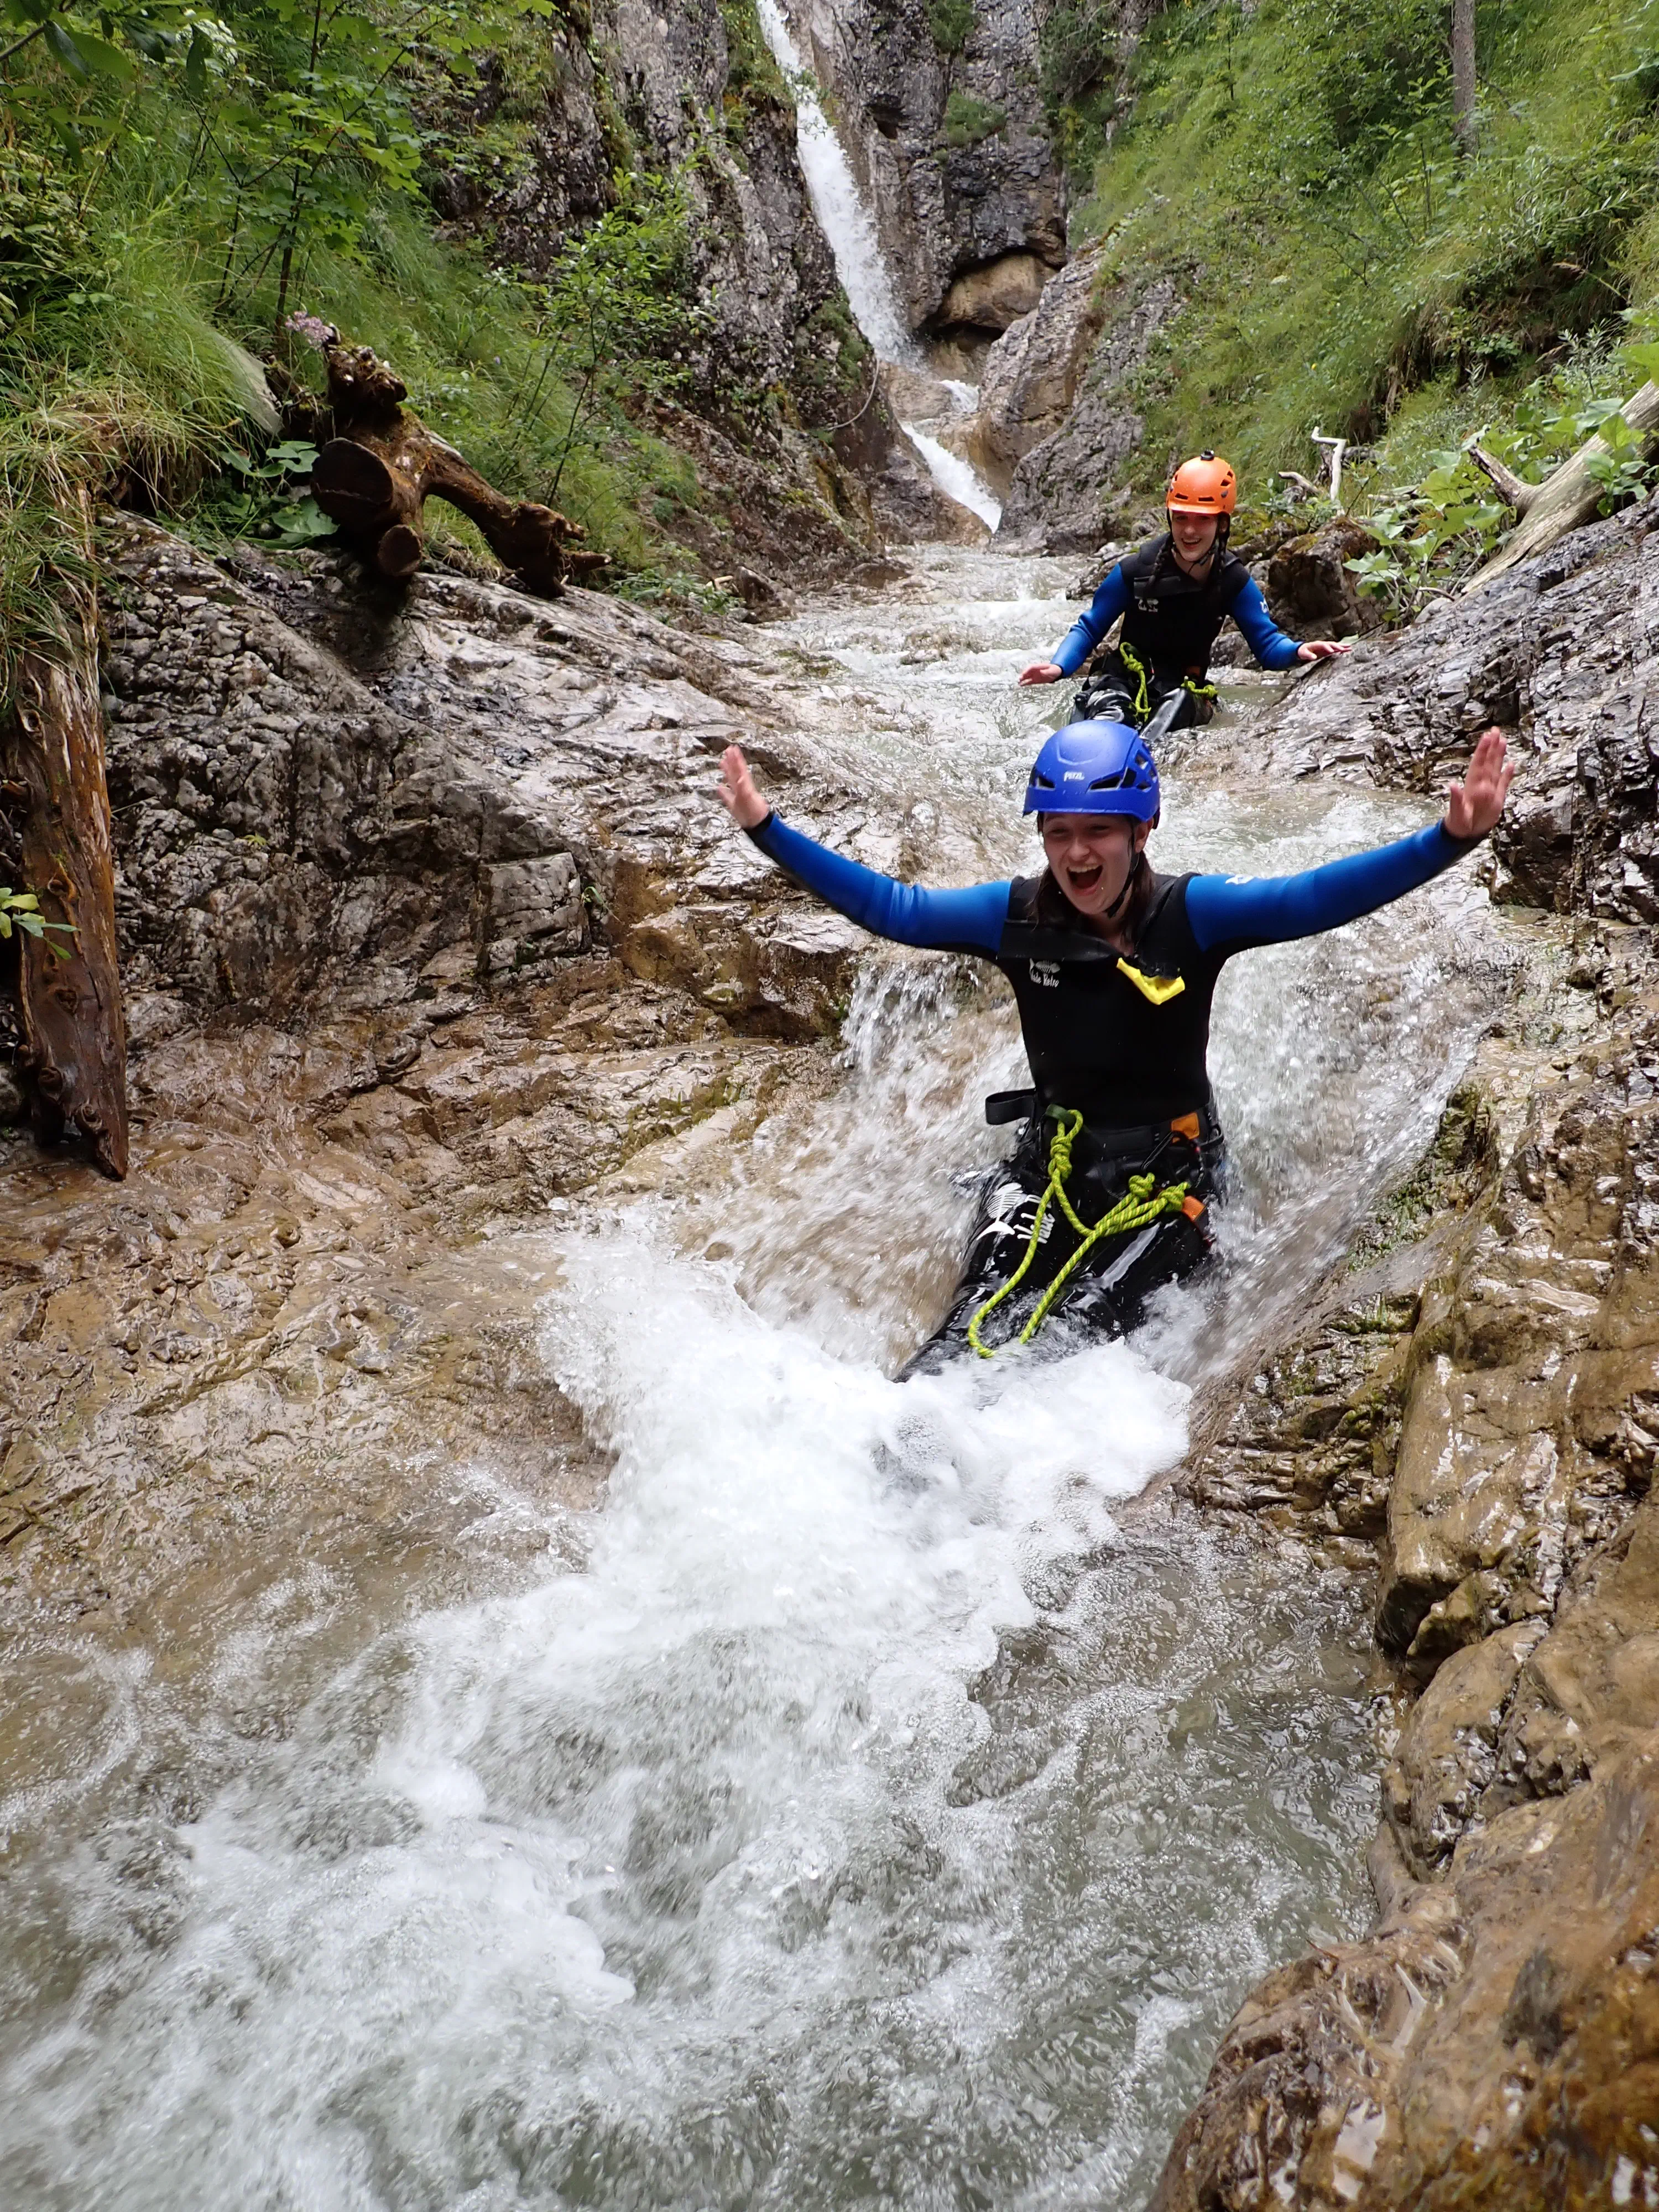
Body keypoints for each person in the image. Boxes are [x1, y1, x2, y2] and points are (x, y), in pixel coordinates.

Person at [716, 719, 1514, 1370]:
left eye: (1099, 831)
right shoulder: (1014, 917)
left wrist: (1447, 840)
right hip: (1052, 1164)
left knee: (1078, 1332)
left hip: (1170, 1177)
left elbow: (1309, 898)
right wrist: (765, 828)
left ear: (1143, 828)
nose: (1077, 854)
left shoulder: (1193, 915)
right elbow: (897, 909)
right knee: (972, 1318)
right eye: (1059, 832)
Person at [1018, 451, 1352, 731]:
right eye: (1180, 519)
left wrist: (1299, 650)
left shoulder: (1232, 580)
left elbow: (1267, 645)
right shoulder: (1136, 570)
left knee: (1174, 709)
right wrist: (1059, 667)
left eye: (1202, 520)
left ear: (1222, 524)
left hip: (1184, 690)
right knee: (1112, 712)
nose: (1189, 531)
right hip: (1125, 680)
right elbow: (1090, 627)